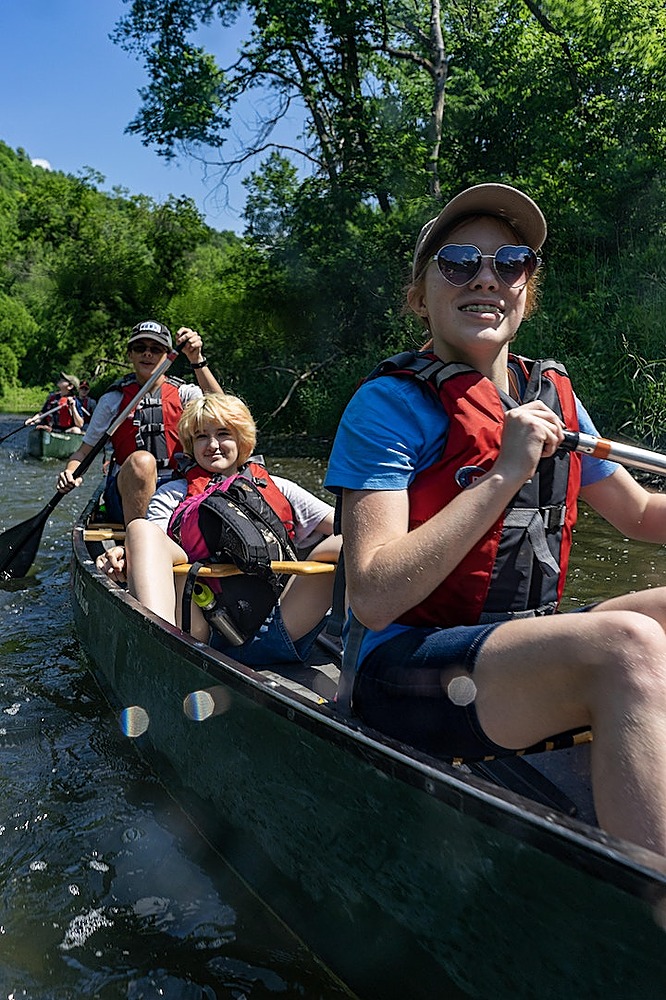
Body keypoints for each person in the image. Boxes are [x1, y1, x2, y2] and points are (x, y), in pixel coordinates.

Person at [324, 181, 666, 857]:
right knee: (627, 648)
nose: (487, 277)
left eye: (510, 263)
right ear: (422, 295)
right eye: (458, 262)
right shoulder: (387, 406)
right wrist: (504, 472)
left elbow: (642, 513)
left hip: (514, 648)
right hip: (405, 670)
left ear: (526, 291)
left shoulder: (552, 399)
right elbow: (371, 593)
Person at [97, 392, 341, 666]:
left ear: (241, 439)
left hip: (281, 622)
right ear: (191, 444)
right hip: (200, 627)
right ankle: (159, 646)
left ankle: (371, 644)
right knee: (140, 529)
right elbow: (150, 545)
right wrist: (124, 550)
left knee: (347, 541)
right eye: (201, 436)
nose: (212, 444)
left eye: (223, 433)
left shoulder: (279, 487)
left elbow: (343, 525)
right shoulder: (173, 494)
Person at [56, 321, 222, 524]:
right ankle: (140, 541)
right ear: (130, 354)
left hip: (179, 488)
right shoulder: (112, 400)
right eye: (140, 348)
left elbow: (223, 410)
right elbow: (83, 452)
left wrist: (196, 360)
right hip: (126, 492)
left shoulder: (185, 394)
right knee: (142, 462)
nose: (148, 354)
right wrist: (70, 472)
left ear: (169, 355)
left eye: (156, 349)